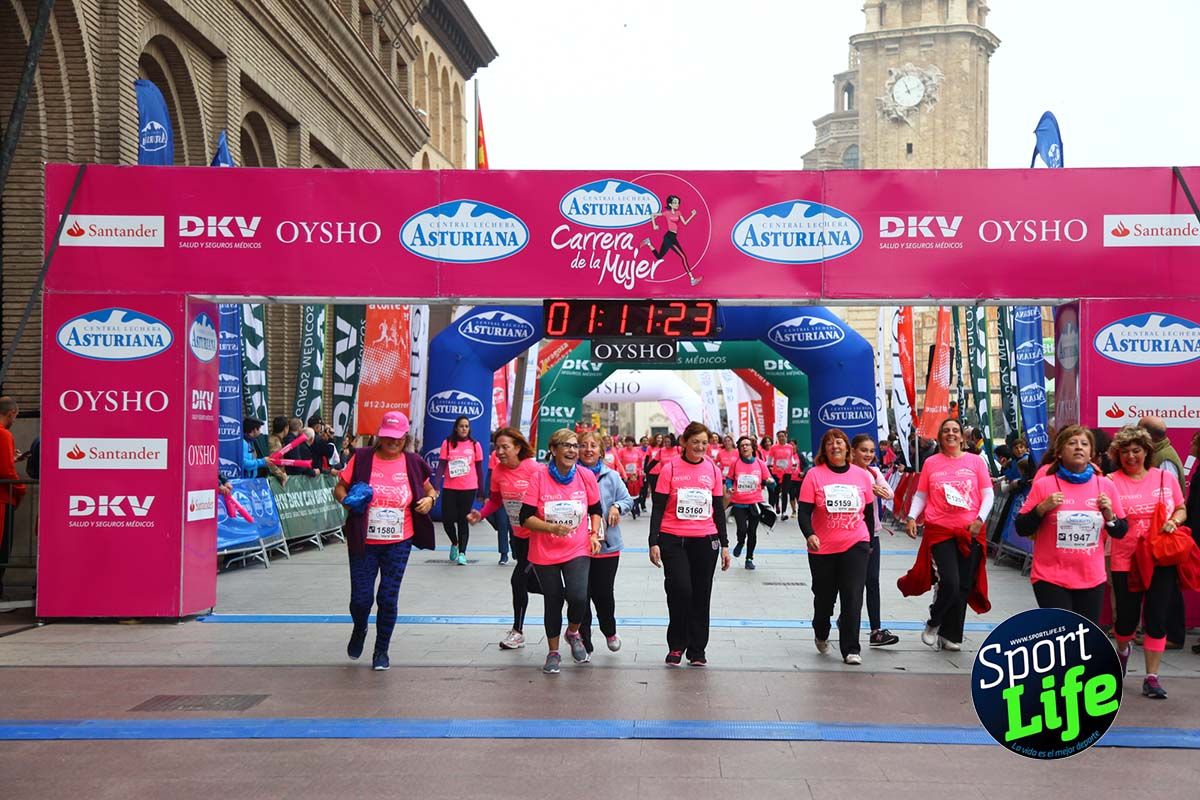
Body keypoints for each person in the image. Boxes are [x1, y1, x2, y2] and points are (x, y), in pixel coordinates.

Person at [334, 411, 436, 671]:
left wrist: (429, 500)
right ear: (379, 436)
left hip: (399, 540)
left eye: (398, 438)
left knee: (388, 598)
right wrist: (347, 501)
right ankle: (359, 628)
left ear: (405, 437)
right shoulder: (362, 458)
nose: (393, 442)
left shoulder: (413, 462)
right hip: (364, 540)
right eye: (388, 437)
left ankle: (381, 651)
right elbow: (340, 487)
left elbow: (429, 489)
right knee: (361, 599)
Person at [1106, 425, 1188, 698]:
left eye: (1136, 450)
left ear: (1147, 451)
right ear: (1118, 454)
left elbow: (1181, 508)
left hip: (1159, 558)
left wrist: (1173, 522)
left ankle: (1151, 677)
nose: (1131, 456)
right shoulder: (1110, 480)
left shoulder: (1165, 478)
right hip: (1125, 559)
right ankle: (1123, 651)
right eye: (1125, 451)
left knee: (1156, 617)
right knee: (1127, 622)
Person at [898, 418, 994, 651]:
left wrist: (979, 520)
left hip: (969, 530)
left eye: (955, 431)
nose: (951, 434)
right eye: (946, 431)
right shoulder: (931, 463)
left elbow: (988, 494)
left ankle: (951, 635)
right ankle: (934, 622)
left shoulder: (976, 462)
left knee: (963, 585)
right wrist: (912, 516)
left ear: (962, 437)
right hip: (940, 530)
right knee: (949, 581)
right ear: (940, 437)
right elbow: (921, 494)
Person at [1016, 425, 1128, 625]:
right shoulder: (1045, 485)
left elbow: (1120, 531)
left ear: (1091, 453)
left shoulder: (1105, 485)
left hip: (1091, 576)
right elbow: (1021, 527)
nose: (1079, 448)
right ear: (1059, 452)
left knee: (1083, 640)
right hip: (1050, 576)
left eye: (1084, 444)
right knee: (1062, 635)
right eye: (1072, 443)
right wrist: (1041, 508)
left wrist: (1109, 515)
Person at [518, 428, 603, 674]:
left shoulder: (586, 476)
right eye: (566, 445)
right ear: (553, 450)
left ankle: (573, 632)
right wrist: (549, 527)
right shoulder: (539, 477)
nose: (572, 450)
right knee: (553, 600)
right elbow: (525, 518)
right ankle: (553, 652)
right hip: (544, 551)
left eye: (575, 446)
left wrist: (594, 534)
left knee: (578, 596)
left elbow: (596, 509)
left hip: (577, 547)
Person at [649, 421, 730, 666]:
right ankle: (676, 645)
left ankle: (697, 650)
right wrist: (654, 542)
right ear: (684, 443)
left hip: (706, 540)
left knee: (701, 594)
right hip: (673, 538)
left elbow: (718, 510)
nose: (700, 447)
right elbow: (659, 507)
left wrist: (725, 544)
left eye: (704, 443)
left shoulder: (713, 470)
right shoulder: (670, 469)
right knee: (680, 590)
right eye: (695, 442)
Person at [797, 429, 875, 665]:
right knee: (824, 599)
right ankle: (821, 630)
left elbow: (869, 513)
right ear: (825, 449)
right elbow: (803, 512)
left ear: (847, 448)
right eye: (829, 443)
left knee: (852, 596)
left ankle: (851, 648)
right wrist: (809, 534)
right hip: (823, 547)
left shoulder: (861, 476)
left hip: (855, 542)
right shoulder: (814, 475)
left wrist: (868, 541)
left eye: (839, 442)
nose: (835, 446)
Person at [469, 428, 539, 649]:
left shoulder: (533, 468)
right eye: (497, 447)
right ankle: (570, 597)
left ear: (518, 447)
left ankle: (517, 632)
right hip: (518, 536)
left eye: (504, 447)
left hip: (538, 537)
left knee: (518, 580)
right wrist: (481, 513)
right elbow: (496, 501)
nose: (499, 451)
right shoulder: (498, 472)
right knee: (535, 582)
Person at [577, 430, 634, 655]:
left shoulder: (611, 476)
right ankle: (584, 641)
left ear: (601, 450)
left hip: (606, 545)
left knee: (602, 593)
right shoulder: (570, 475)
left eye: (593, 445)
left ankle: (609, 630)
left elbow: (627, 499)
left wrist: (616, 507)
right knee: (580, 594)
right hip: (577, 546)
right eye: (583, 445)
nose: (588, 449)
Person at [850, 434, 900, 647]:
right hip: (849, 535)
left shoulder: (875, 471)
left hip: (873, 534)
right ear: (853, 451)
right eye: (864, 450)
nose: (868, 455)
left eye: (871, 451)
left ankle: (876, 631)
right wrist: (868, 488)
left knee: (872, 582)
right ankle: (847, 622)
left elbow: (889, 494)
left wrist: (880, 489)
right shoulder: (846, 472)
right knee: (852, 585)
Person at [438, 415, 484, 565]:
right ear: (456, 428)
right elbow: (441, 466)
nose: (464, 429)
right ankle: (454, 543)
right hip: (450, 487)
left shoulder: (475, 445)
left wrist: (481, 491)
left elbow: (479, 469)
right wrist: (435, 485)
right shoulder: (448, 443)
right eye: (461, 426)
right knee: (447, 520)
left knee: (463, 520)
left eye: (466, 426)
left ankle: (463, 553)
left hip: (468, 487)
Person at [728, 435, 773, 570]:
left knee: (752, 532)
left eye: (747, 445)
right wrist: (730, 486)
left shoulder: (760, 463)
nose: (744, 447)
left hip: (755, 503)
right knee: (742, 529)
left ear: (752, 448)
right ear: (739, 449)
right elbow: (729, 479)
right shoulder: (735, 463)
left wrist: (771, 482)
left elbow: (769, 480)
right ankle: (740, 542)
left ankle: (749, 558)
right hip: (738, 502)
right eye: (742, 446)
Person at [640, 194, 702, 286]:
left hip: (672, 237)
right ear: (670, 204)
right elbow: (652, 214)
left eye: (678, 202)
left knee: (659, 257)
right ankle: (692, 279)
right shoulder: (667, 213)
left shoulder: (678, 213)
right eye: (674, 202)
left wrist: (692, 215)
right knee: (683, 257)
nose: (677, 204)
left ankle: (648, 243)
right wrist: (654, 225)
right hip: (669, 237)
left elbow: (685, 223)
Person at [0, 398, 26, 600]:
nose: (15, 419)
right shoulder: (4, 434)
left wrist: (13, 459)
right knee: (2, 547)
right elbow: (7, 472)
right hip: (3, 499)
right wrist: (21, 489)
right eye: (16, 416)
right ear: (11, 413)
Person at [768, 431, 794, 520]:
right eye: (779, 436)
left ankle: (784, 512)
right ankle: (774, 508)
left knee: (785, 492)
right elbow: (770, 459)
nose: (781, 438)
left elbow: (791, 458)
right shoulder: (774, 447)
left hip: (787, 472)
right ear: (777, 438)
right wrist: (769, 468)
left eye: (783, 436)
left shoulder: (790, 447)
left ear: (786, 437)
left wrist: (793, 464)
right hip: (776, 472)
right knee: (776, 491)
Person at [618, 436, 644, 519]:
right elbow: (619, 463)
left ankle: (636, 507)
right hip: (626, 475)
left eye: (631, 442)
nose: (629, 443)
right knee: (627, 493)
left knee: (636, 493)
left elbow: (640, 464)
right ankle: (631, 508)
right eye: (627, 442)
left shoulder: (637, 451)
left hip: (635, 475)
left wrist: (639, 474)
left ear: (633, 443)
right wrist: (621, 473)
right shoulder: (622, 451)